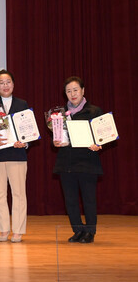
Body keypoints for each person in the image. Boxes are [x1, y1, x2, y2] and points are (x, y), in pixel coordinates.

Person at [53, 76, 105, 243]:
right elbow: (58, 137)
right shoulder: (59, 114)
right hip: (66, 163)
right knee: (70, 200)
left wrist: (98, 143)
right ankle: (77, 230)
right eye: (69, 91)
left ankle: (90, 231)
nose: (73, 94)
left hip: (87, 162)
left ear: (83, 91)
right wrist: (56, 141)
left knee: (89, 199)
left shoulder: (94, 111)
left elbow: (103, 134)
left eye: (75, 90)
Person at [0, 70, 30, 243]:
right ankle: (3, 229)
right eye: (1, 82)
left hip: (17, 155)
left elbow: (28, 128)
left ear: (13, 84)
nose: (5, 85)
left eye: (8, 82)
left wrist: (24, 142)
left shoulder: (22, 104)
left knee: (19, 194)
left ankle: (18, 230)